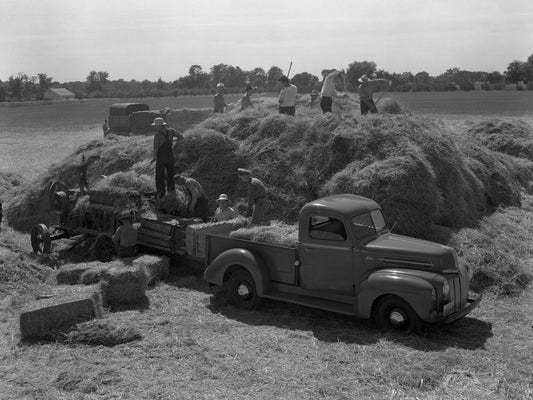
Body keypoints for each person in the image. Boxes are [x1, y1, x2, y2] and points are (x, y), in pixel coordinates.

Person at [151, 117, 178, 199]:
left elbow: (155, 148)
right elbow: (181, 137)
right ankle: (171, 190)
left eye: (156, 126)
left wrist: (154, 157)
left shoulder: (157, 135)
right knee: (171, 174)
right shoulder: (171, 131)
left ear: (159, 126)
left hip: (161, 158)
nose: (155, 127)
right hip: (170, 156)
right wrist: (174, 142)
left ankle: (161, 192)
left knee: (160, 175)